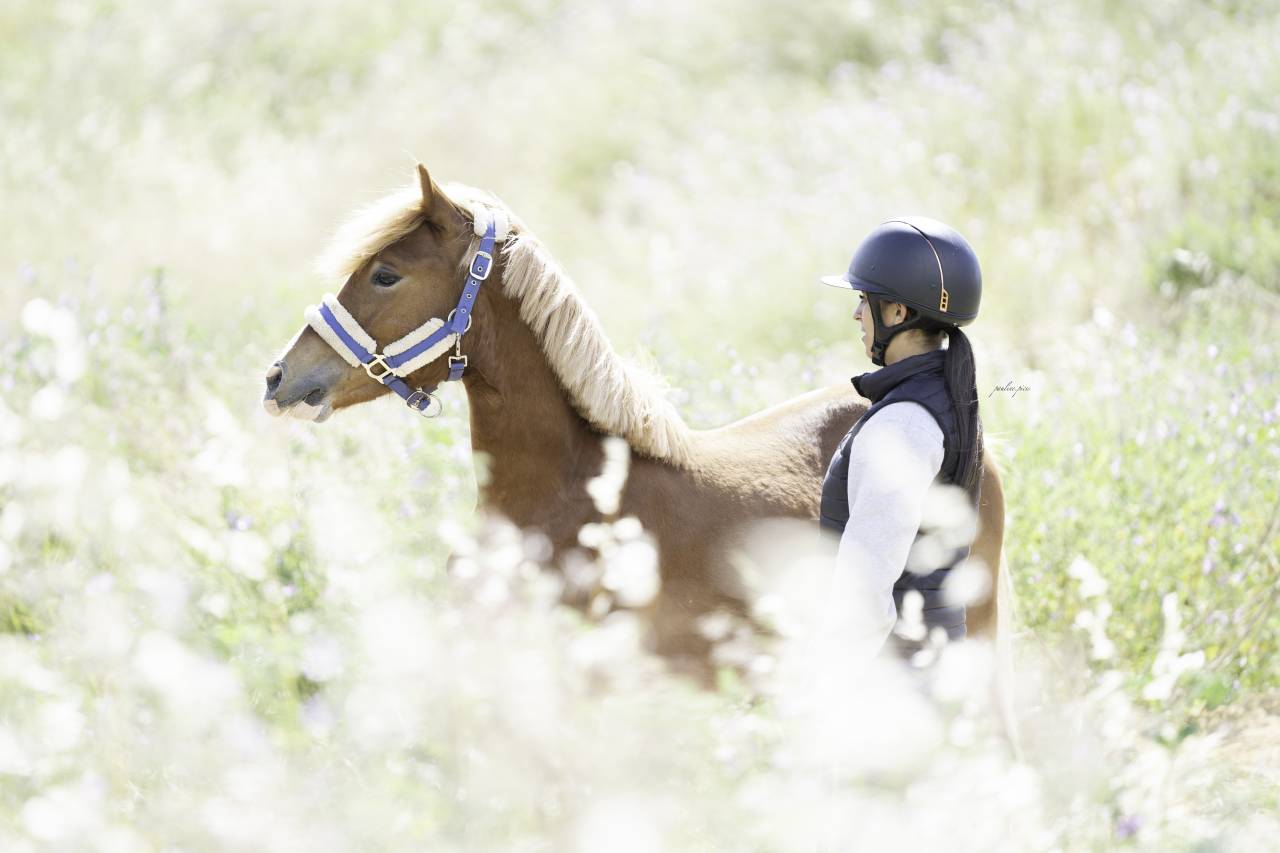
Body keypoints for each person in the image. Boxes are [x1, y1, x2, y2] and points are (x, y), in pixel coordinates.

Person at [818, 216, 985, 667]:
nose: (856, 313)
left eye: (863, 300)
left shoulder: (903, 425)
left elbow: (866, 587)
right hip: (930, 672)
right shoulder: (943, 397)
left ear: (897, 312)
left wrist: (826, 687)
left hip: (895, 688)